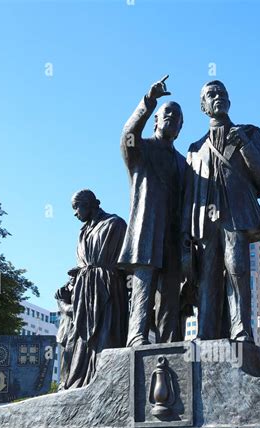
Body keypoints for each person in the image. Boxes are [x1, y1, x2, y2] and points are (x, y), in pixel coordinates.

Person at [182, 80, 260, 341]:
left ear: (230, 101)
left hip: (235, 214)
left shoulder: (250, 133)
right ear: (203, 106)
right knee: (207, 276)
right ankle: (205, 333)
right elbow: (188, 195)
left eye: (222, 93)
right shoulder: (195, 148)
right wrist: (185, 232)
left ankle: (241, 330)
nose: (218, 97)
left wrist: (245, 145)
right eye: (211, 94)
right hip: (205, 221)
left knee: (237, 268)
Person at [118, 75, 185, 346]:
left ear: (180, 129)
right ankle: (137, 336)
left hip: (173, 235)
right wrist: (148, 102)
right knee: (143, 287)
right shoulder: (141, 150)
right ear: (155, 120)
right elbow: (127, 135)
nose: (171, 118)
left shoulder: (184, 163)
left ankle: (170, 342)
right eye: (166, 113)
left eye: (177, 117)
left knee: (171, 293)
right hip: (147, 230)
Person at [55, 189, 128, 389]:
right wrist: (70, 285)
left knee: (105, 337)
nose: (75, 213)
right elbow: (82, 264)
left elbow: (124, 263)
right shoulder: (83, 232)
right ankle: (77, 384)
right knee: (77, 341)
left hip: (107, 287)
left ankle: (104, 384)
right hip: (83, 292)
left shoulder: (114, 224)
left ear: (88, 204)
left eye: (76, 207)